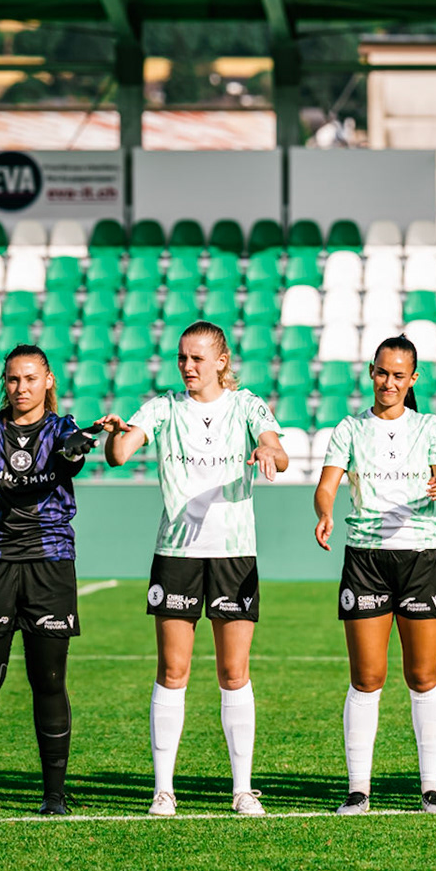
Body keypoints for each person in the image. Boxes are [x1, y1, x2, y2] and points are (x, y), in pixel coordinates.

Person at [104, 320, 287, 818]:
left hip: (233, 555)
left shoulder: (247, 404)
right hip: (176, 555)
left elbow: (277, 449)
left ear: (221, 362)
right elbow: (120, 454)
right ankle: (164, 789)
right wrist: (117, 436)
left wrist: (268, 450)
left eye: (197, 358)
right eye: (182, 358)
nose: (187, 366)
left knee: (234, 672)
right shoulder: (162, 407)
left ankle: (242, 789)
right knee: (173, 670)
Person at [0, 346, 112, 816]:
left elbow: (71, 452)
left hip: (49, 563)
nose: (22, 388)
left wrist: (76, 450)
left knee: (49, 680)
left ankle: (54, 795)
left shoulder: (60, 427)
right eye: (14, 380)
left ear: (49, 381)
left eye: (31, 379)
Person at [314, 336, 436, 815]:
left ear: (413, 379)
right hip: (366, 559)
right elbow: (327, 485)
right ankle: (358, 790)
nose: (389, 382)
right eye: (382, 372)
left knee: (423, 676)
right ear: (371, 372)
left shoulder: (430, 426)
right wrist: (326, 513)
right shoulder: (349, 428)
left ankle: (431, 788)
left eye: (400, 375)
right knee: (367, 677)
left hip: (419, 558)